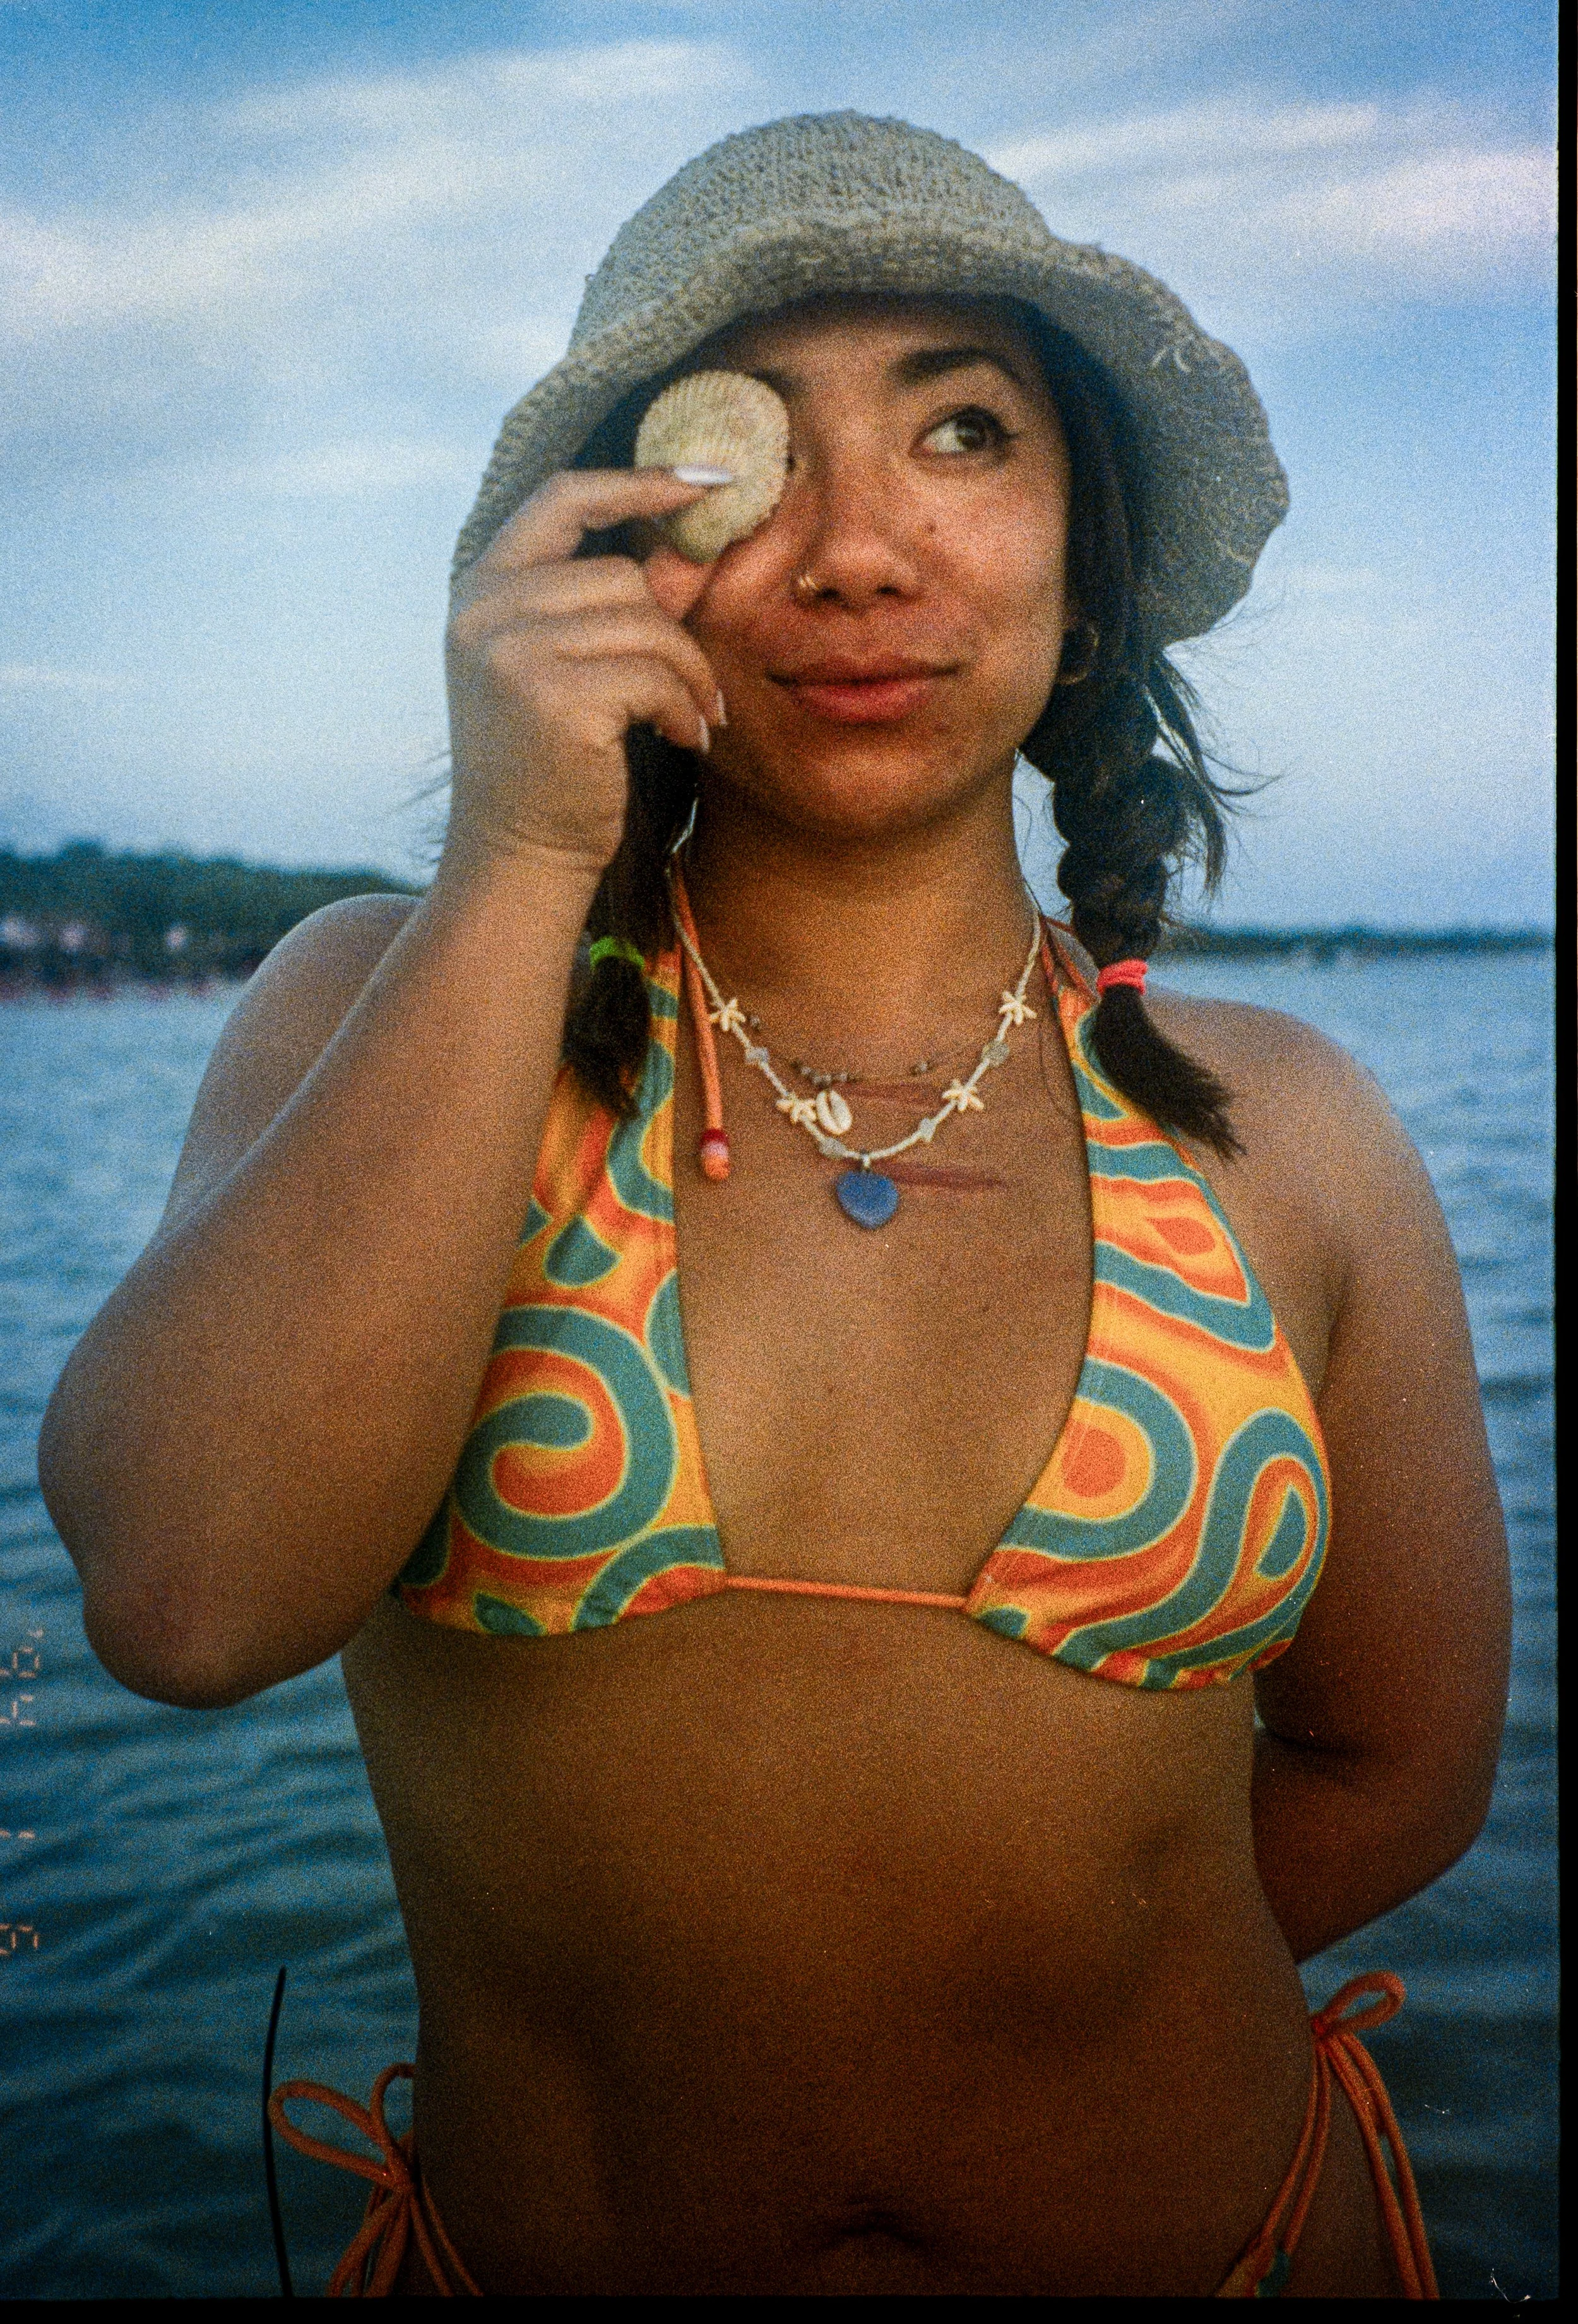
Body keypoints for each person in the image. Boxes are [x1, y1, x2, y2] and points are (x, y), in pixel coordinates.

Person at [39, 114, 1510, 2298]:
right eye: (751, 459)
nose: (855, 550)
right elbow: (182, 1600)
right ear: (604, 547)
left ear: (1083, 551)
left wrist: (1014, 2039)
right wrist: (522, 856)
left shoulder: (1281, 1134)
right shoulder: (396, 1012)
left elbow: (1402, 1762)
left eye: (961, 430)